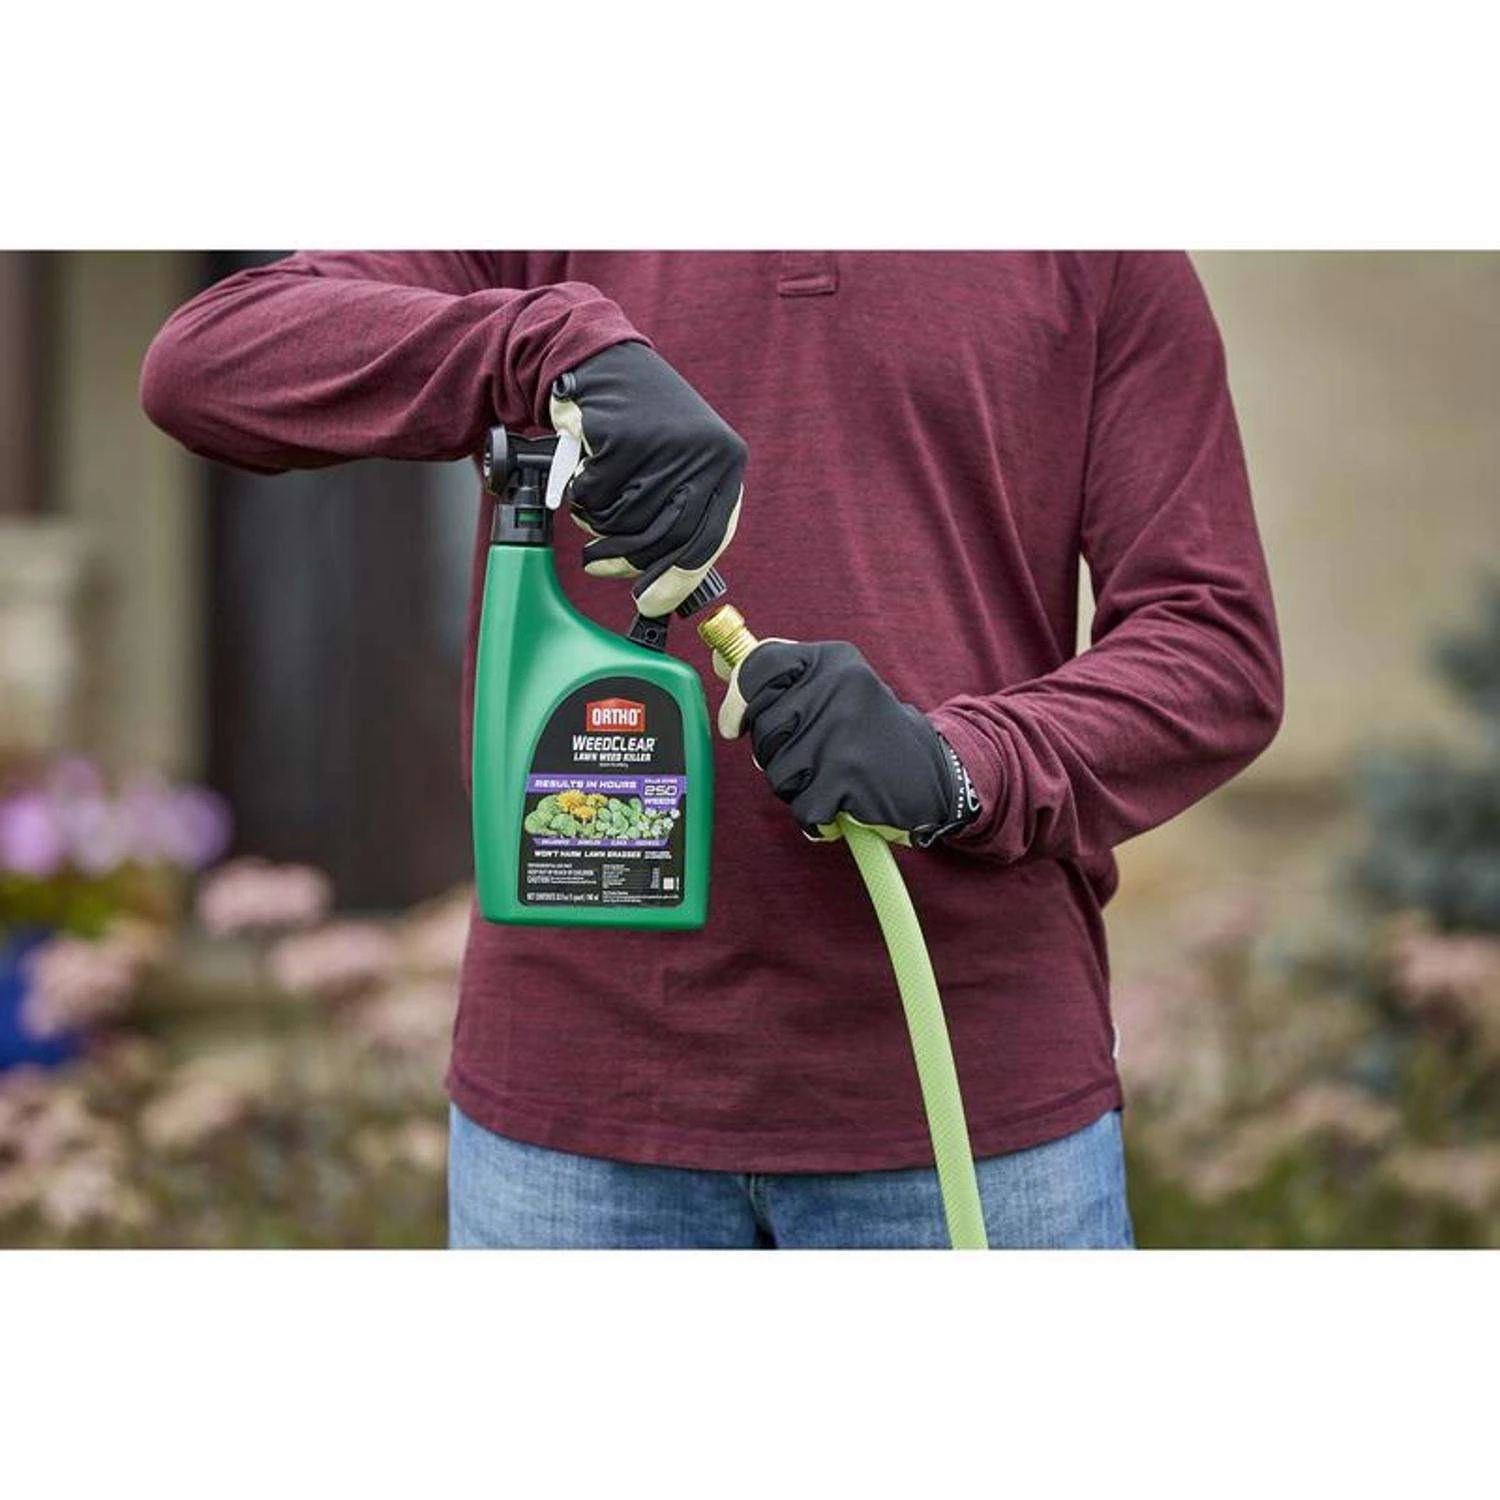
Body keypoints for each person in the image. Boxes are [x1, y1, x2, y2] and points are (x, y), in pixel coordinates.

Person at [141, 252, 1282, 1249]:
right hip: (574, 1128)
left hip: (967, 1105)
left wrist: (961, 766)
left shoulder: (1096, 250)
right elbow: (207, 363)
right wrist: (539, 346)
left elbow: (1213, 645)